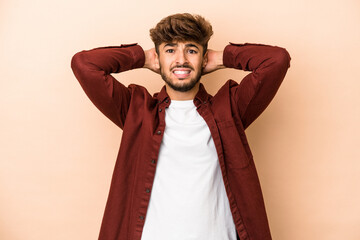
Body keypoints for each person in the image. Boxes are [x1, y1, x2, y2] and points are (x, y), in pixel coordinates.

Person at [71, 13, 291, 240]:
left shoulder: (229, 110)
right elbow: (84, 64)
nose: (181, 59)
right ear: (158, 58)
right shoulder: (136, 111)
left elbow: (277, 60)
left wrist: (221, 57)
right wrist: (144, 57)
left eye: (192, 50)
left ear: (204, 59)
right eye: (170, 50)